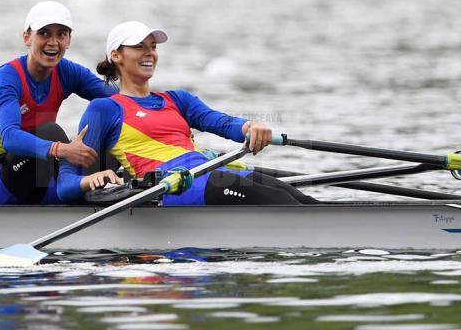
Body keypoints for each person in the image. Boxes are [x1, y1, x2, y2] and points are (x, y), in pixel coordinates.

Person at [56, 21, 318, 205]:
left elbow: (223, 123)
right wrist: (90, 179)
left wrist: (251, 127)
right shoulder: (104, 109)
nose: (149, 52)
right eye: (139, 46)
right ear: (116, 55)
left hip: (211, 172)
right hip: (176, 185)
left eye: (153, 46)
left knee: (297, 197)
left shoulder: (178, 99)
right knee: (276, 200)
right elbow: (65, 186)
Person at [0, 1, 122, 205]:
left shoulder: (67, 71)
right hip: (0, 183)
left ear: (69, 40)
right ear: (27, 37)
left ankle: (87, 190)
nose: (53, 42)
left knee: (113, 124)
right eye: (44, 33)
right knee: (50, 132)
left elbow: (122, 101)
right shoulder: (6, 79)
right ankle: (78, 192)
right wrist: (62, 149)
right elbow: (9, 138)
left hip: (45, 179)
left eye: (61, 34)